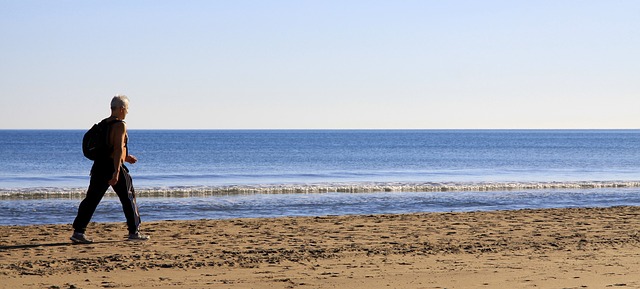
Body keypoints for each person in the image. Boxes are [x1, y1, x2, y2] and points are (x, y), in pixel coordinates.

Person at [71, 95, 149, 243]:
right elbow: (118, 148)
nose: (127, 112)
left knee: (91, 199)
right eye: (126, 109)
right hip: (113, 166)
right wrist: (116, 172)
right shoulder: (120, 125)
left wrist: (126, 157)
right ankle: (134, 232)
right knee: (128, 197)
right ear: (121, 109)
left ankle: (78, 232)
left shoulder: (103, 124)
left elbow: (109, 148)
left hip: (99, 166)